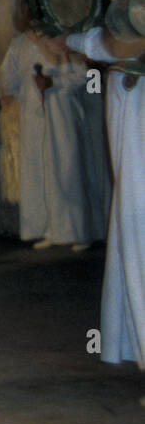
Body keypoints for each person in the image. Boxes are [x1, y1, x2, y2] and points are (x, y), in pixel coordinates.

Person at [63, 27, 145, 383]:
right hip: (130, 96)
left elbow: (123, 41)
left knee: (137, 217)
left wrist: (76, 39)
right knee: (132, 216)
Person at [0, 26, 106, 250]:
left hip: (65, 114)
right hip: (33, 117)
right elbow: (8, 77)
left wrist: (54, 83)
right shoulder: (20, 42)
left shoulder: (67, 38)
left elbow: (87, 76)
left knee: (68, 170)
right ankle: (50, 228)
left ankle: (79, 230)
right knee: (41, 172)